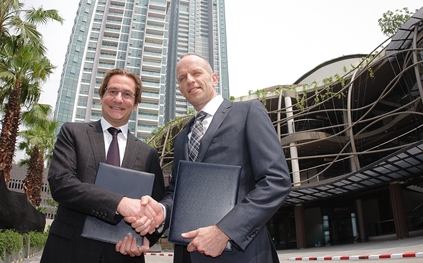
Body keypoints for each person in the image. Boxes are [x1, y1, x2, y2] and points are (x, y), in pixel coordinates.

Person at [123, 53, 291, 263]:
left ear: (214, 78)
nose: (190, 80)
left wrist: (224, 231)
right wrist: (163, 211)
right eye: (183, 78)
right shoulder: (182, 137)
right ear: (180, 90)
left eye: (196, 73)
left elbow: (276, 181)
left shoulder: (248, 112)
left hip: (242, 254)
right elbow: (178, 191)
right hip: (188, 254)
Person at [40, 68, 165, 263]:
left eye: (127, 94)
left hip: (123, 256)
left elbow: (156, 206)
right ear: (102, 95)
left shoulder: (148, 153)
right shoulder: (72, 133)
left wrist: (145, 239)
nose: (118, 99)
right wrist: (120, 203)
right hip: (68, 251)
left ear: (135, 103)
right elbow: (61, 184)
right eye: (112, 91)